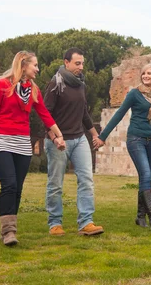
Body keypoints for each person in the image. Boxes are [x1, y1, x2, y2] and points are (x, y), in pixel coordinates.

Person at [0, 51, 64, 246]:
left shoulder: (32, 89)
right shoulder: (2, 86)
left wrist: (59, 135)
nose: (38, 69)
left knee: (17, 188)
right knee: (9, 184)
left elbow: (45, 115)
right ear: (23, 65)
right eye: (35, 65)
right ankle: (8, 232)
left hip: (22, 142)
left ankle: (9, 228)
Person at [96, 63, 151, 231]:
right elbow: (119, 114)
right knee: (146, 174)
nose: (146, 76)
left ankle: (140, 217)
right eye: (144, 73)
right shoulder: (134, 94)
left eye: (149, 73)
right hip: (136, 139)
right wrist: (103, 136)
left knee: (146, 179)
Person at [44, 47, 104, 237]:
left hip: (79, 139)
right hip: (58, 142)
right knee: (56, 184)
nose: (81, 67)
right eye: (77, 63)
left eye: (82, 63)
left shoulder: (81, 84)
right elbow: (45, 116)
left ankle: (86, 222)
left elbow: (84, 113)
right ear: (66, 63)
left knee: (86, 180)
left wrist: (95, 135)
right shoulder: (55, 84)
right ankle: (55, 224)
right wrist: (55, 138)